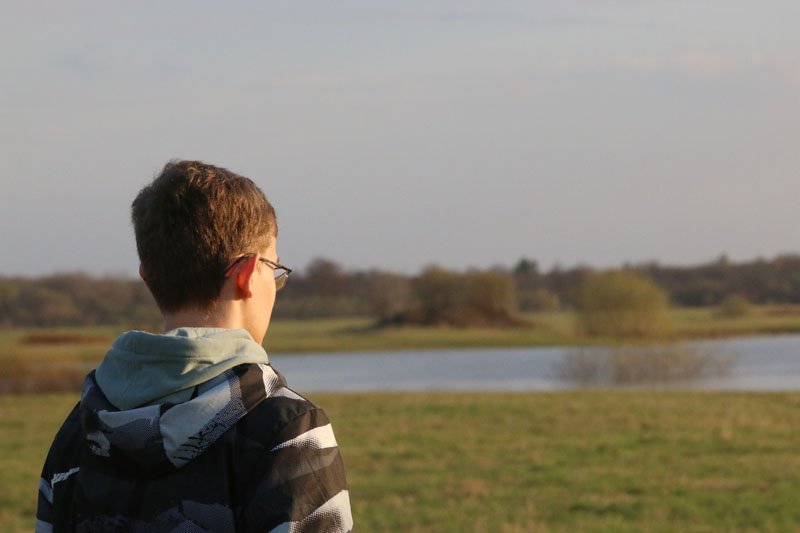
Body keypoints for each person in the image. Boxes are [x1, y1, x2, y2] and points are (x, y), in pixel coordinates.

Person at [36, 161, 353, 532]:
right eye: (274, 268)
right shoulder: (287, 429)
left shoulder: (79, 431)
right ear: (248, 274)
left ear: (147, 278)